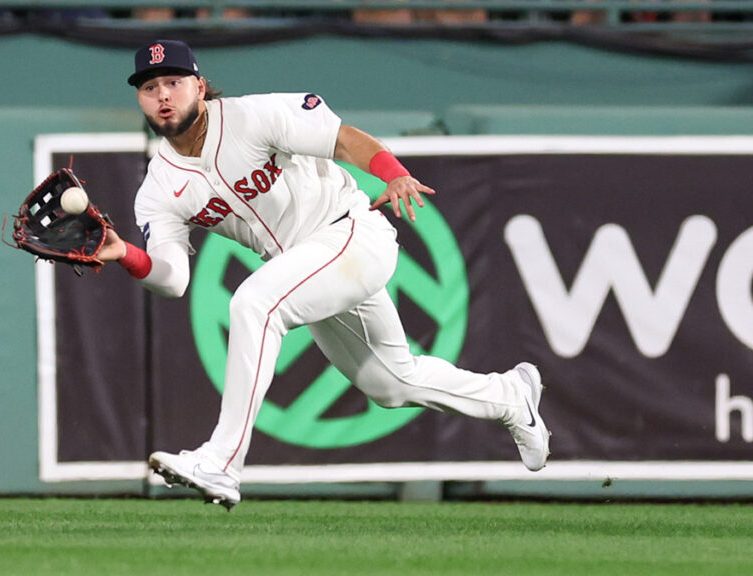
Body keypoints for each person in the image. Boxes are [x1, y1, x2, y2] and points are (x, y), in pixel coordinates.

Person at [97, 39, 550, 509]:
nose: (164, 95)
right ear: (140, 99)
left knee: (254, 303)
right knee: (393, 384)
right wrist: (124, 252)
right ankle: (510, 396)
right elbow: (172, 279)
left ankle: (221, 462)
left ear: (200, 86)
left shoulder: (254, 117)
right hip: (306, 269)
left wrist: (392, 173)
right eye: (151, 87)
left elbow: (343, 139)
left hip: (352, 236)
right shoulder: (158, 187)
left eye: (174, 82)